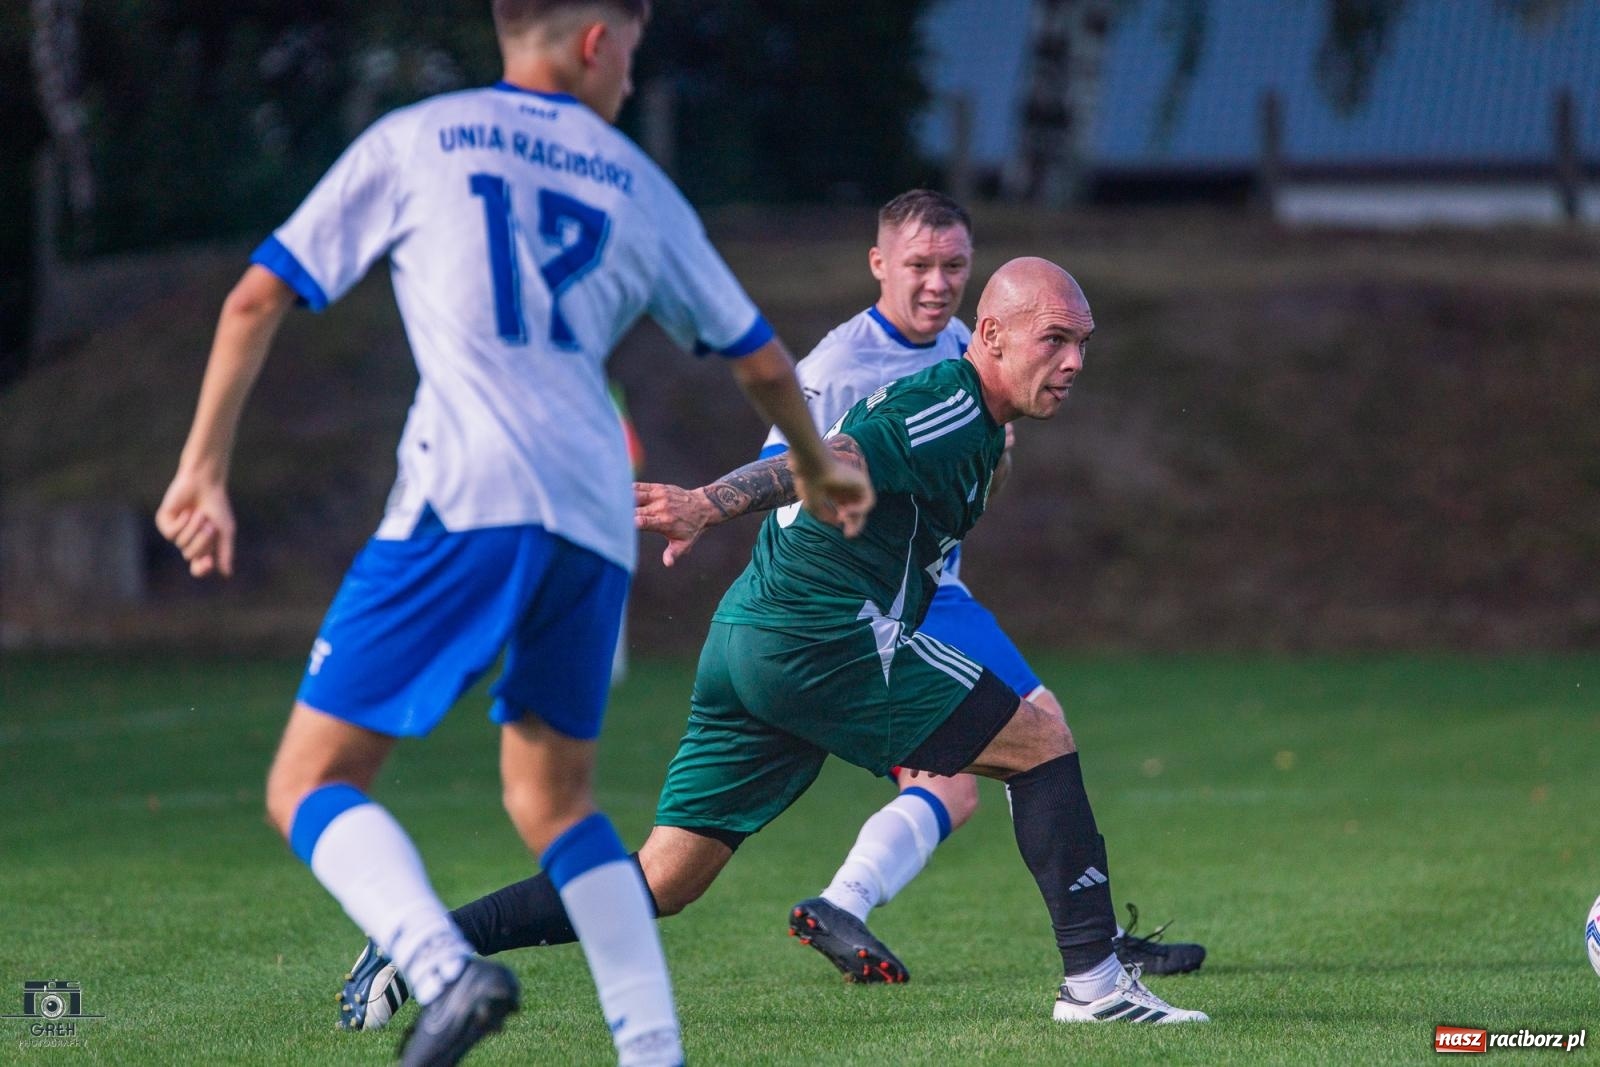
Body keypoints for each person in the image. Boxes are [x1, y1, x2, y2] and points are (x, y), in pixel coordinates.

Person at [153, 1, 871, 1064]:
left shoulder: (414, 140)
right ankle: (652, 1049)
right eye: (631, 44)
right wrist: (814, 466)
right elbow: (762, 361)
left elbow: (255, 300)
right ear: (593, 42)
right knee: (553, 797)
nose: (631, 70)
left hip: (466, 497)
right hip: (589, 510)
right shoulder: (634, 181)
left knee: (307, 781)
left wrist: (203, 467)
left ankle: (443, 971)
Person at [340, 256, 1211, 1026]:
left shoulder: (982, 427)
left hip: (749, 640)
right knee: (1040, 737)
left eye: (1083, 343)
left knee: (663, 880)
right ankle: (1097, 986)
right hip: (821, 640)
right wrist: (708, 502)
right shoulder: (944, 404)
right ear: (990, 333)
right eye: (1055, 339)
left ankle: (426, 944)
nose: (1073, 362)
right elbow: (828, 455)